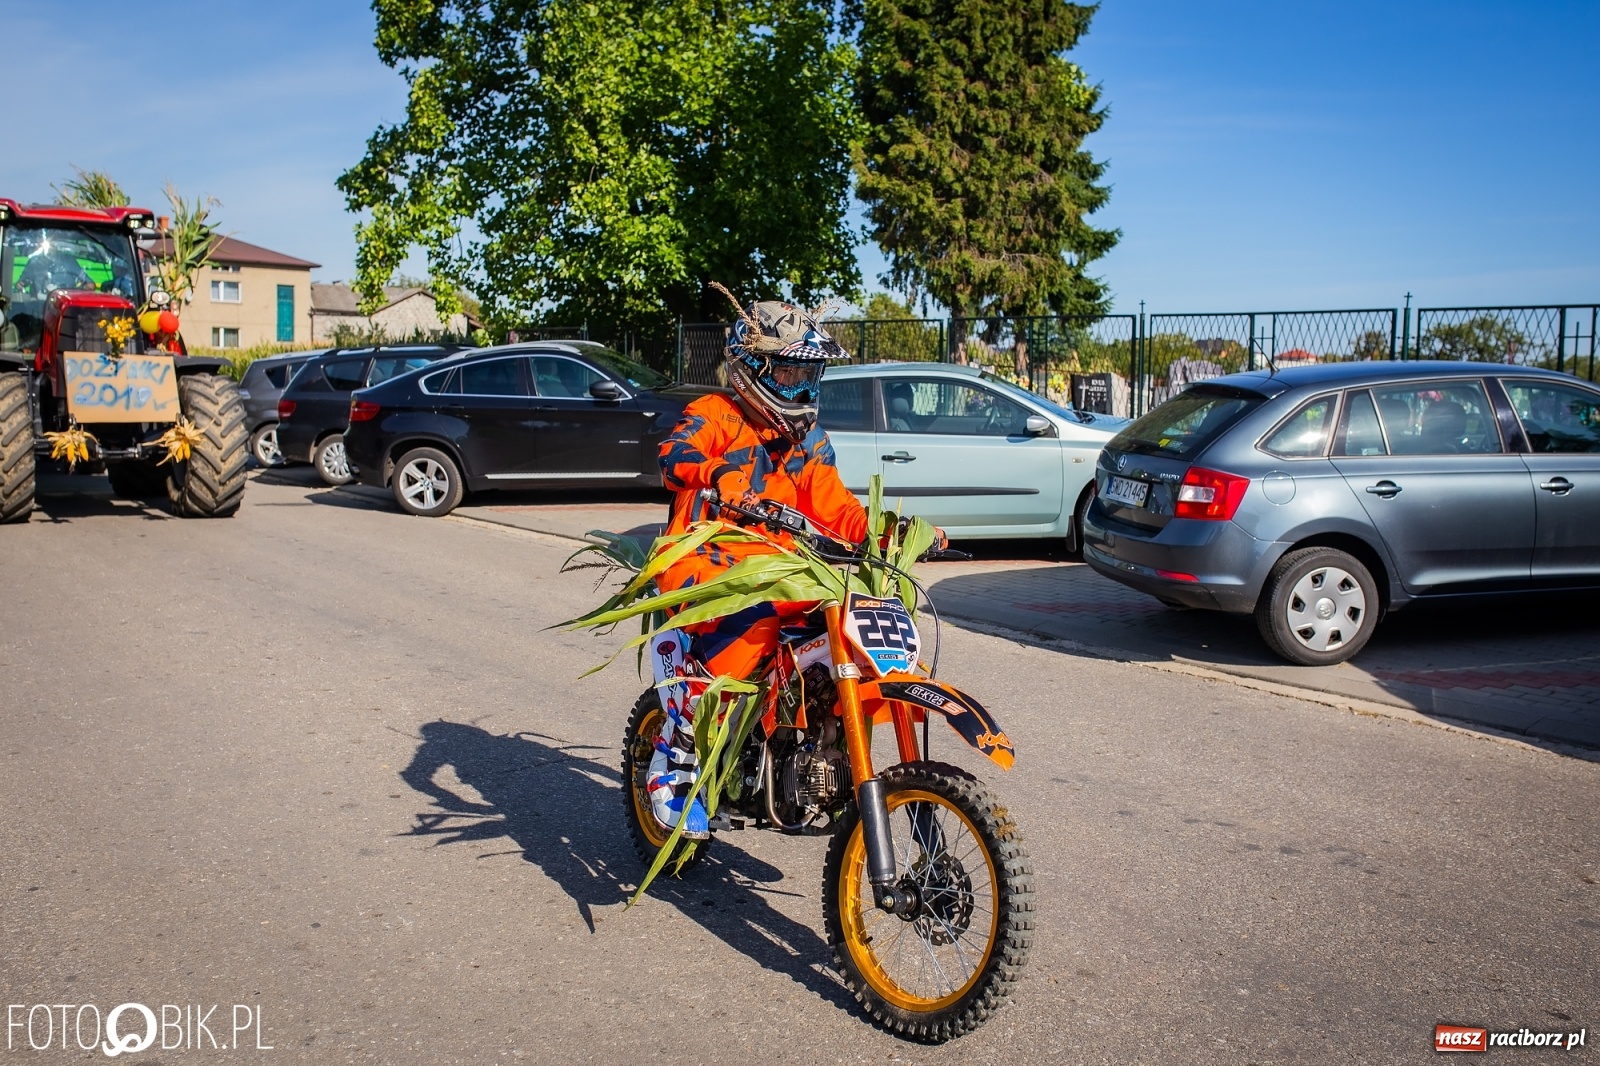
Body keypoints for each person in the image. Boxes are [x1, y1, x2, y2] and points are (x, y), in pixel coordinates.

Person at [646, 290, 944, 839]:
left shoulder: (807, 440)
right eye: (788, 373)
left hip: (782, 568)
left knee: (850, 627)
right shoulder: (716, 415)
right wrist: (719, 479)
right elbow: (673, 454)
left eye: (809, 374)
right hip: (710, 563)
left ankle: (820, 747)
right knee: (755, 624)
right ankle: (676, 759)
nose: (800, 388)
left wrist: (889, 534)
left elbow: (835, 504)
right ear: (752, 367)